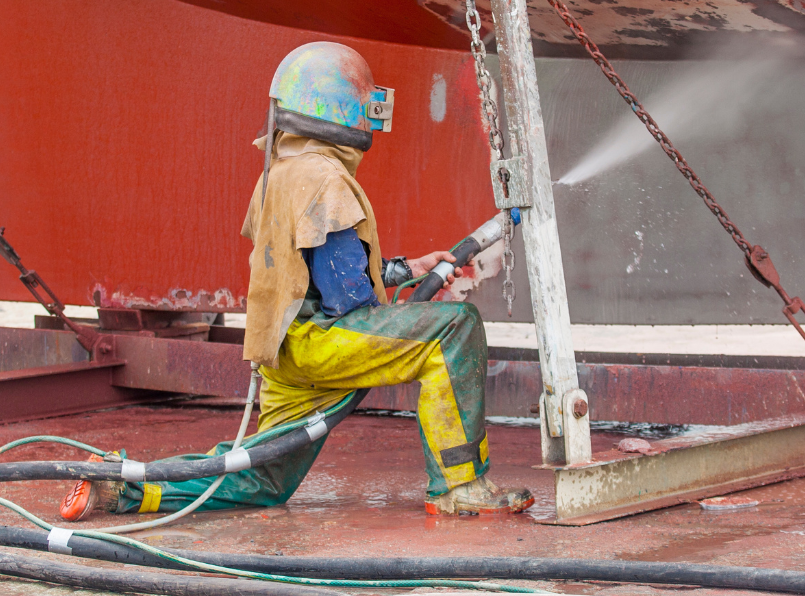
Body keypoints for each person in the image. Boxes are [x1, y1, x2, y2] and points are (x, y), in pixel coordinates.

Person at [58, 41, 533, 520]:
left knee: (264, 477)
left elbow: (310, 272)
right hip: (318, 346)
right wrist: (408, 316)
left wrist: (411, 271)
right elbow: (348, 300)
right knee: (456, 326)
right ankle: (461, 486)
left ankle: (121, 486)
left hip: (283, 350)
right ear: (344, 108)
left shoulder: (278, 173)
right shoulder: (325, 178)